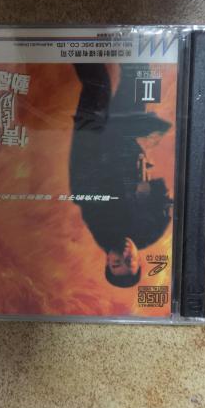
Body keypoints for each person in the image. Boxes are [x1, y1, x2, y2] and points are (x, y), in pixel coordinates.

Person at [70, 63, 173, 288]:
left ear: (108, 261)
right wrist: (148, 190)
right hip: (125, 142)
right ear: (139, 261)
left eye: (117, 263)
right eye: (130, 262)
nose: (124, 255)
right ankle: (133, 46)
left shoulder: (101, 230)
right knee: (137, 79)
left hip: (92, 146)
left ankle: (79, 46)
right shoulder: (151, 233)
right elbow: (164, 197)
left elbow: (87, 185)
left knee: (97, 87)